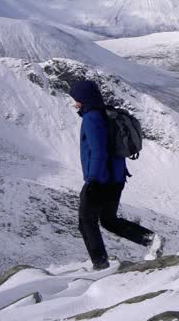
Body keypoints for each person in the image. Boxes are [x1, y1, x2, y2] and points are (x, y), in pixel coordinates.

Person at [69, 79, 163, 270]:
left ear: (85, 98)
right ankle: (151, 240)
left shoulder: (92, 118)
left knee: (86, 221)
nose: (75, 103)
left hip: (101, 180)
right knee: (109, 220)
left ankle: (100, 264)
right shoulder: (107, 114)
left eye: (77, 99)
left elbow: (99, 151)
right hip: (116, 178)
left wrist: (93, 180)